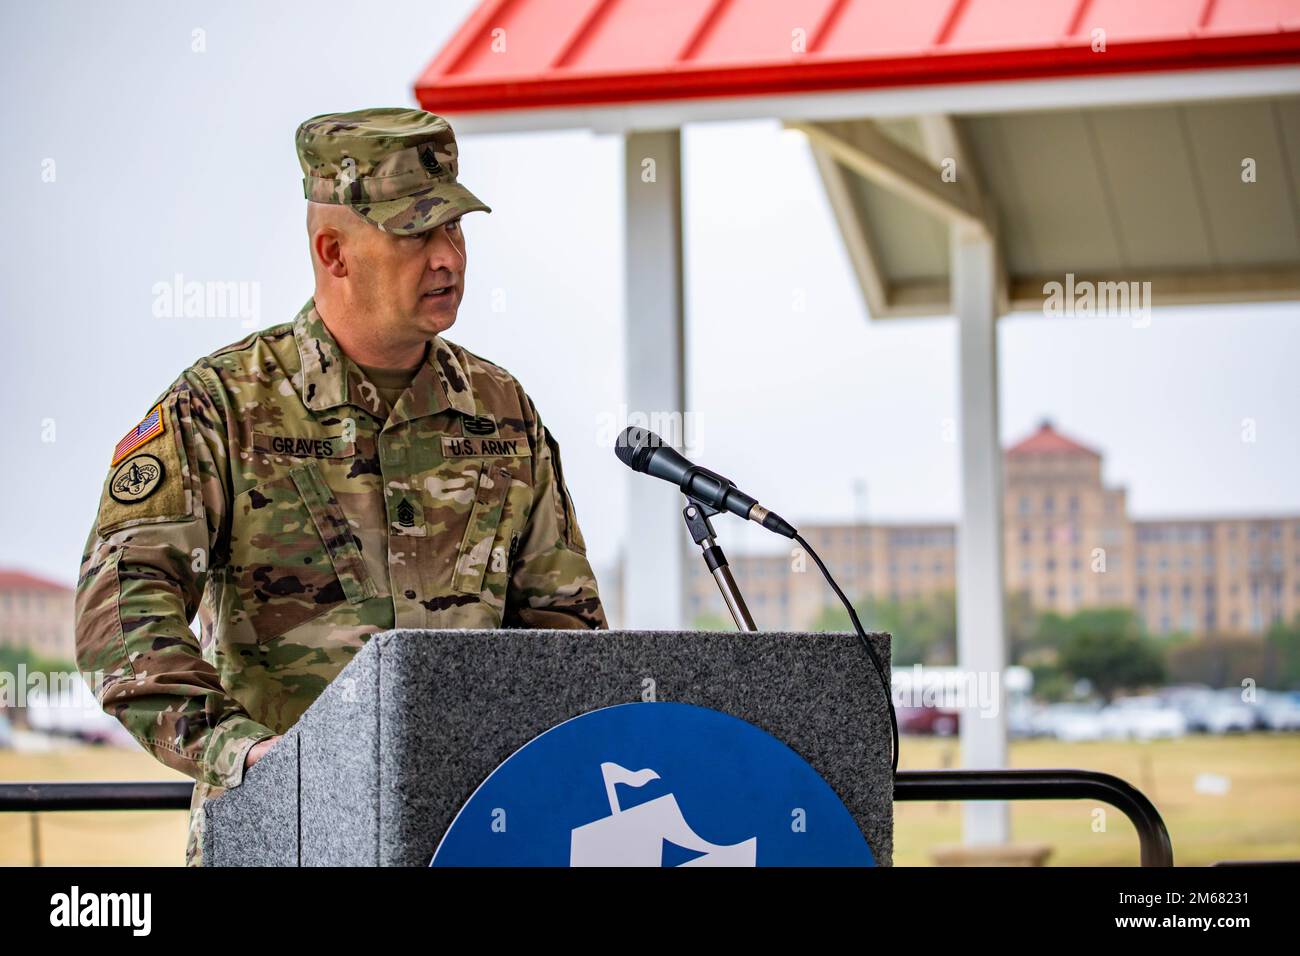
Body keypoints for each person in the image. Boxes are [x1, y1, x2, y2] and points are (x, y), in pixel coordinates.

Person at [74, 107, 608, 866]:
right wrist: (248, 755)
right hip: (287, 840)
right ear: (333, 251)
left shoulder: (501, 412)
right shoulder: (222, 408)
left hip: (474, 838)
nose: (447, 256)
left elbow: (568, 634)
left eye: (454, 229)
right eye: (415, 233)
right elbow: (121, 619)